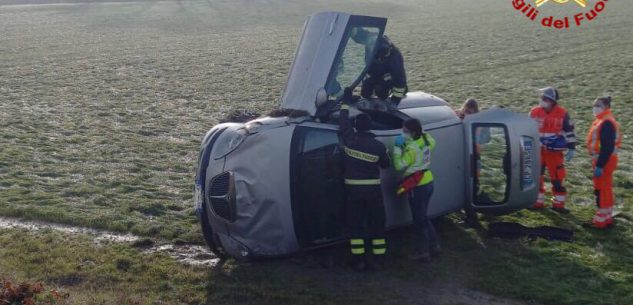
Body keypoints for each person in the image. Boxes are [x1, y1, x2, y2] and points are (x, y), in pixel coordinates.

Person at [339, 88, 391, 271]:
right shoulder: (378, 146)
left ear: (356, 127)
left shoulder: (349, 139)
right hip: (373, 192)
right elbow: (386, 165)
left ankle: (358, 261)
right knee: (377, 224)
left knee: (355, 225)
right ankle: (379, 260)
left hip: (353, 192)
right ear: (370, 127)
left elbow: (343, 121)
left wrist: (345, 102)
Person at [393, 118, 439, 262]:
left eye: (405, 131)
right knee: (424, 217)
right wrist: (411, 138)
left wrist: (397, 149)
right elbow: (432, 141)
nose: (403, 133)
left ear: (412, 132)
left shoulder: (411, 149)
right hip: (428, 180)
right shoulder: (426, 140)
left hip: (417, 185)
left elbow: (399, 166)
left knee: (419, 221)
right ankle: (434, 246)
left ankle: (423, 252)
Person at [529, 87, 577, 213]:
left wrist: (572, 148)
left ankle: (558, 204)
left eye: (545, 99)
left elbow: (569, 131)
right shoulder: (534, 112)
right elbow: (527, 129)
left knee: (556, 178)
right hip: (537, 150)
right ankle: (537, 201)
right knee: (536, 176)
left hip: (554, 153)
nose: (542, 100)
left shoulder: (563, 113)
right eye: (541, 98)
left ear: (552, 101)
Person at [586, 96, 622, 229]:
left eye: (598, 105)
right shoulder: (604, 120)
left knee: (601, 190)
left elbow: (607, 147)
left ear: (606, 107)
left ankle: (600, 221)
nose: (595, 107)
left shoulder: (605, 122)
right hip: (605, 159)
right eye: (594, 104)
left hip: (603, 160)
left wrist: (600, 165)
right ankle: (606, 218)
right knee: (605, 189)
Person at [455, 99, 488, 228]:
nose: (466, 113)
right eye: (465, 110)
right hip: (462, 156)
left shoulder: (478, 124)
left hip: (474, 158)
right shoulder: (460, 117)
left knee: (471, 186)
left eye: (470, 112)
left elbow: (483, 141)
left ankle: (472, 217)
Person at [359, 35, 407, 105]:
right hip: (375, 72)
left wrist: (395, 101)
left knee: (381, 92)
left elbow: (400, 79)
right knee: (365, 93)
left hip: (387, 76)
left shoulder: (395, 57)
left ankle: (398, 89)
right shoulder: (370, 47)